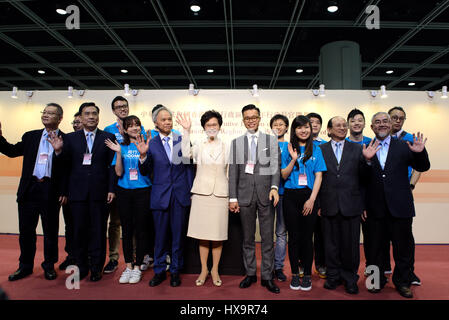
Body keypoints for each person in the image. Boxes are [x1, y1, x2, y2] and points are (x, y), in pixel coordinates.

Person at [363, 112, 430, 298]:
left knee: (403, 248)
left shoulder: (405, 146)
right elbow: (361, 179)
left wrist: (420, 152)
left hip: (400, 206)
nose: (382, 124)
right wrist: (367, 161)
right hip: (375, 207)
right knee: (374, 249)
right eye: (377, 122)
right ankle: (375, 281)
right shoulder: (366, 147)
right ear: (372, 127)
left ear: (391, 124)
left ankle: (403, 282)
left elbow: (423, 166)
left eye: (385, 121)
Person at [0, 103, 65, 281]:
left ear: (60, 118)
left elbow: (68, 168)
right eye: (44, 112)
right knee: (26, 231)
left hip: (50, 190)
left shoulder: (66, 139)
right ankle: (25, 266)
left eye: (50, 113)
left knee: (50, 231)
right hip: (29, 190)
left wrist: (59, 152)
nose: (45, 115)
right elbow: (12, 151)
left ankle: (49, 265)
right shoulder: (30, 136)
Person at [55, 102, 116, 282]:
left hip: (100, 193)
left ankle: (96, 267)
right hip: (76, 193)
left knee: (98, 231)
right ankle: (81, 267)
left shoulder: (108, 136)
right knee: (78, 232)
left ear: (98, 116)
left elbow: (111, 167)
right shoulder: (71, 138)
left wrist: (111, 188)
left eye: (94, 113)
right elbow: (64, 167)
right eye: (87, 114)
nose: (91, 116)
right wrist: (58, 152)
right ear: (80, 118)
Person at [137, 105, 192, 287]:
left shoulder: (181, 140)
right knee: (159, 237)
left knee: (178, 237)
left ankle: (175, 271)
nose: (167, 122)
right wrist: (143, 156)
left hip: (180, 196)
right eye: (163, 119)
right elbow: (145, 171)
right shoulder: (150, 143)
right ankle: (159, 271)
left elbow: (188, 167)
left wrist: (190, 191)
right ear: (155, 123)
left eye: (169, 119)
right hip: (160, 196)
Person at [228, 104, 281, 294]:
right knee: (248, 239)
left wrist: (274, 187)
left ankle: (267, 276)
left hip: (267, 195)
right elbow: (233, 172)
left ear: (260, 118)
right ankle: (250, 273)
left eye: (254, 117)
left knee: (268, 239)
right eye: (247, 118)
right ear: (243, 120)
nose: (251, 120)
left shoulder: (270, 140)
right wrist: (232, 198)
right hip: (244, 196)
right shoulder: (236, 143)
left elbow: (275, 166)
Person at [319, 116, 371, 294]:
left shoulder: (358, 149)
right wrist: (318, 203)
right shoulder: (320, 149)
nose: (342, 128)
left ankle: (350, 278)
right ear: (329, 130)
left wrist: (368, 161)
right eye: (338, 125)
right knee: (330, 244)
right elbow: (316, 179)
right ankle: (333, 276)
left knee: (351, 245)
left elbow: (365, 179)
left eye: (344, 125)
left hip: (352, 204)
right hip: (328, 203)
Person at [177, 110, 229, 287]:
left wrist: (232, 198)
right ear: (204, 128)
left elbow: (230, 173)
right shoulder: (199, 145)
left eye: (214, 124)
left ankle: (214, 269)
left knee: (218, 235)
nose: (212, 128)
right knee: (203, 236)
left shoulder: (227, 146)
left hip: (221, 194)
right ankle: (203, 269)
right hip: (201, 194)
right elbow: (184, 155)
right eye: (208, 125)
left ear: (219, 126)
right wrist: (186, 131)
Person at [281, 115, 327, 291]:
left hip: (309, 196)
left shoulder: (316, 149)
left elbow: (319, 175)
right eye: (300, 127)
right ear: (294, 130)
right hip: (291, 197)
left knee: (308, 238)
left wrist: (312, 200)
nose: (304, 130)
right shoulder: (287, 148)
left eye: (307, 127)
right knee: (294, 239)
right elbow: (284, 175)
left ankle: (307, 275)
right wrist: (293, 158)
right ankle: (294, 274)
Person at [103, 96, 147, 274]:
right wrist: (110, 187)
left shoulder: (142, 132)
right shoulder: (108, 130)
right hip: (118, 182)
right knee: (117, 223)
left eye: (124, 106)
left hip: (141, 185)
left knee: (139, 225)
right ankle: (115, 258)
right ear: (113, 110)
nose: (122, 109)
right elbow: (108, 162)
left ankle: (137, 259)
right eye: (118, 107)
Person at [388, 106, 422, 286]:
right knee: (380, 238)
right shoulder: (379, 139)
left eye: (401, 118)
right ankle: (381, 273)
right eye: (394, 117)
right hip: (382, 196)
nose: (397, 120)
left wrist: (410, 186)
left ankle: (407, 274)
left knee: (405, 239)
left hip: (402, 194)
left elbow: (419, 166)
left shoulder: (410, 140)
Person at [345, 108, 373, 277]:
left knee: (372, 240)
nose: (356, 123)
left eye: (359, 120)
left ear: (364, 123)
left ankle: (373, 274)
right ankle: (349, 273)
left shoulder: (373, 142)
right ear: (348, 124)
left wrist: (366, 203)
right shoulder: (342, 144)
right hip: (349, 201)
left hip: (369, 200)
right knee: (350, 241)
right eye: (353, 120)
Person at [59, 112, 83, 270]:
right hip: (70, 192)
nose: (75, 125)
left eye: (78, 122)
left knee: (85, 226)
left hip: (88, 192)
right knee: (70, 225)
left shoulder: (96, 139)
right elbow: (62, 168)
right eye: (74, 122)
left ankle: (84, 255)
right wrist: (63, 191)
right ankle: (71, 255)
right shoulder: (66, 140)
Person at [306, 112, 326, 279]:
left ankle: (320, 264)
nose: (313, 125)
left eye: (317, 122)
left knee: (320, 234)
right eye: (310, 122)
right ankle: (301, 263)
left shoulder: (325, 146)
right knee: (303, 233)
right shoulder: (296, 145)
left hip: (319, 196)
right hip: (300, 195)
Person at [269, 114, 289, 282]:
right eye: (275, 124)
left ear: (287, 128)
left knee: (281, 232)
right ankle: (268, 266)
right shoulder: (264, 146)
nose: (278, 127)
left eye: (281, 124)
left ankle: (278, 267)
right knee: (267, 232)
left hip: (286, 194)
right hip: (268, 194)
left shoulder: (292, 146)